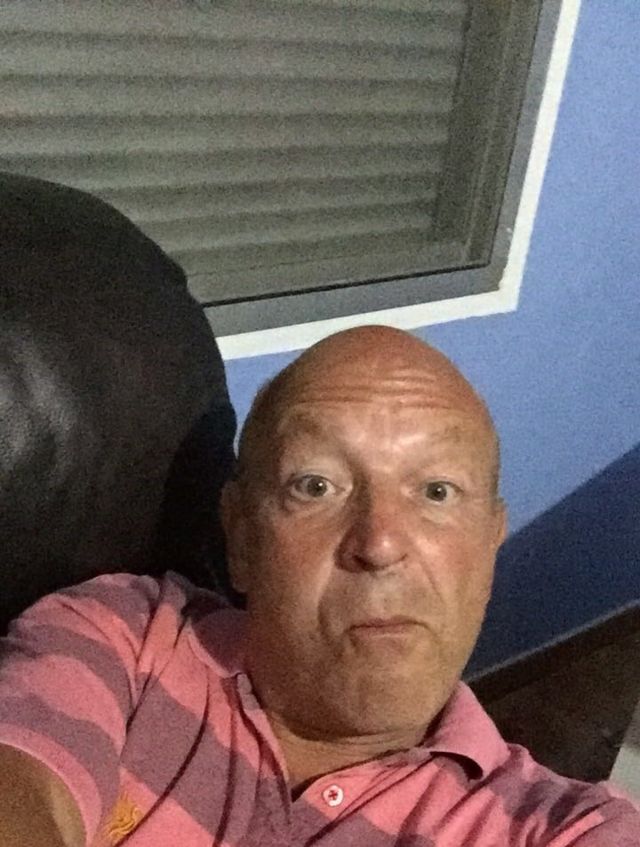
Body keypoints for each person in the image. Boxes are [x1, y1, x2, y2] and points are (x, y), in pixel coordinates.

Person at [0, 326, 638, 847]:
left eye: (437, 491)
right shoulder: (125, 636)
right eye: (316, 486)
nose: (380, 544)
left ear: (489, 548)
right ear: (241, 537)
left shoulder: (566, 829)